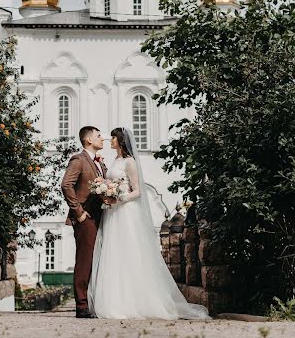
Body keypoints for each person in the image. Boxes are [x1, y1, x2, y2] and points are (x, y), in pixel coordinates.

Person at [88, 127, 210, 320]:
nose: (109, 140)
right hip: (112, 214)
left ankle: (137, 302)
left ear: (120, 141)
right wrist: (105, 191)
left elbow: (137, 191)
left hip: (125, 213)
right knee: (114, 253)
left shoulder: (130, 162)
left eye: (112, 138)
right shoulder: (115, 161)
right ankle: (115, 300)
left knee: (130, 253)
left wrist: (118, 198)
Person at [61, 126, 106, 318]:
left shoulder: (100, 164)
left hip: (101, 218)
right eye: (98, 136)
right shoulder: (79, 159)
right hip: (85, 219)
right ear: (88, 140)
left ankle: (95, 302)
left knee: (98, 262)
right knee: (85, 261)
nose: (102, 138)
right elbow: (66, 184)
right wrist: (78, 212)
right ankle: (81, 306)